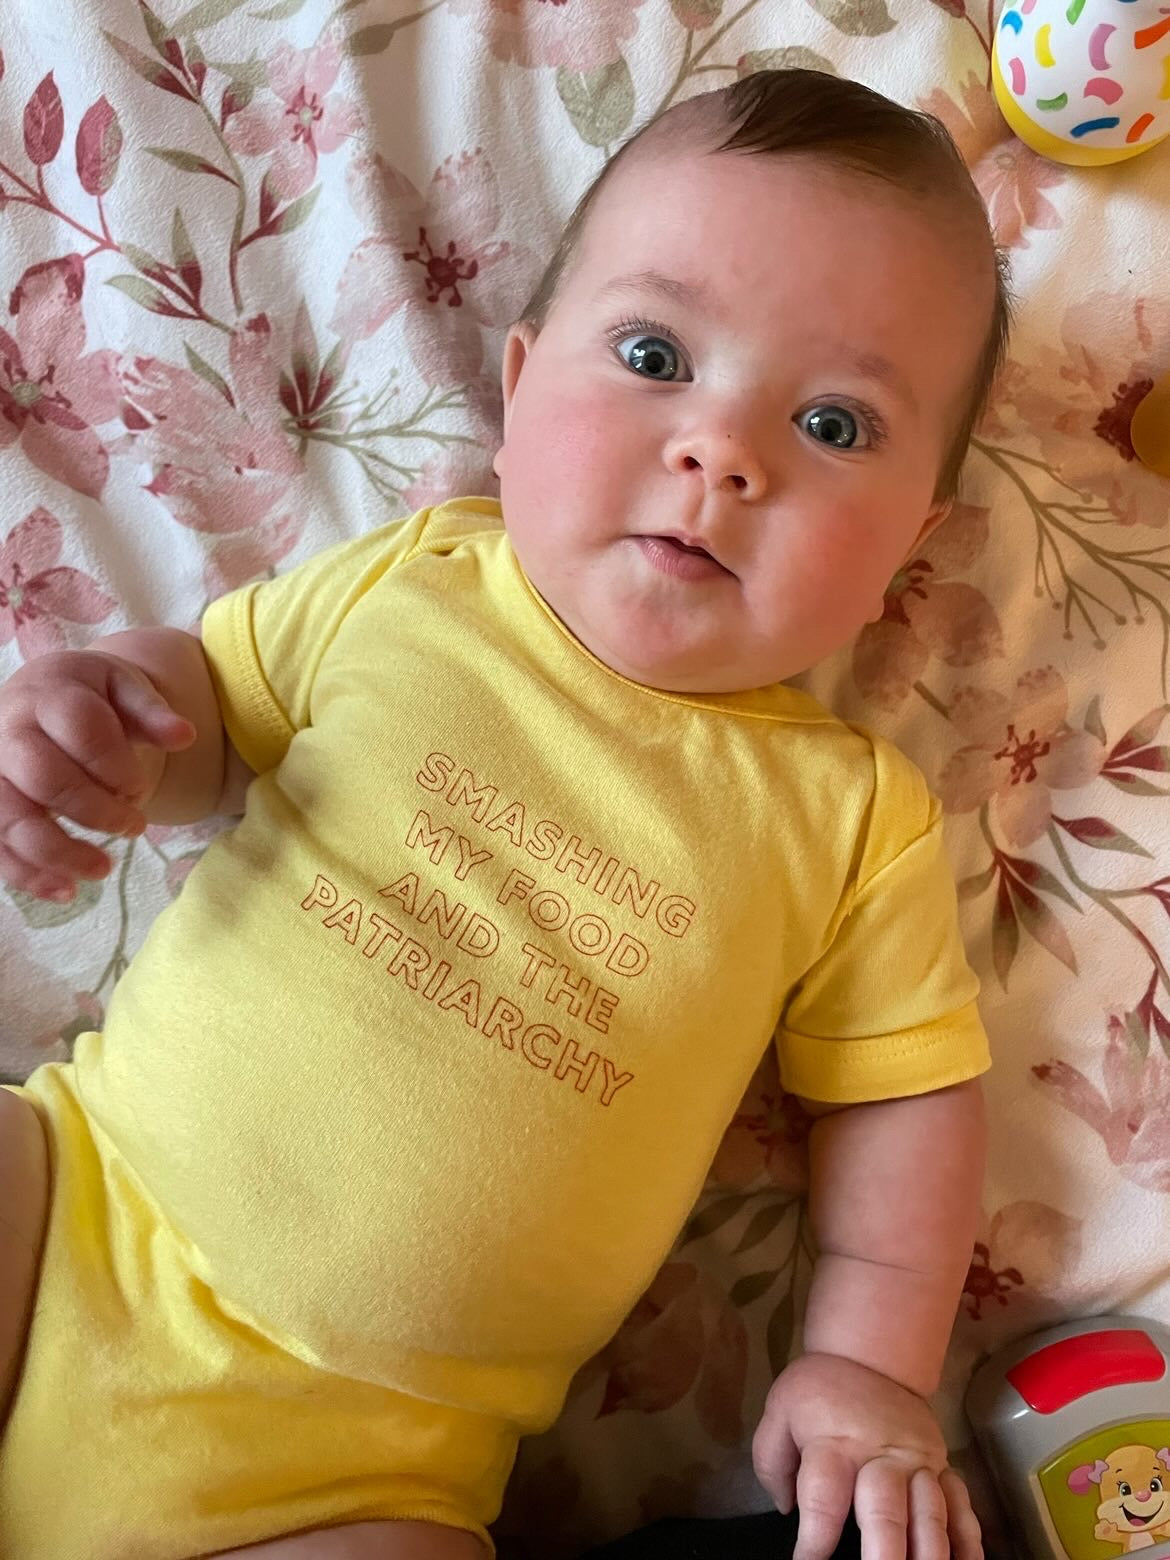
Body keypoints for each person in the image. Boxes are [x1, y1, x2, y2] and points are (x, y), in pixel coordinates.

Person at [0, 68, 1008, 1560]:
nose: (721, 453)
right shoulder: (417, 585)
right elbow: (212, 707)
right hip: (78, 1210)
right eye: (655, 352)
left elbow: (904, 1099)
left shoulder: (848, 819)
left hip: (367, 1470)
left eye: (835, 425)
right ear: (521, 382)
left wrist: (868, 1365)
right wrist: (104, 719)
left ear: (910, 542)